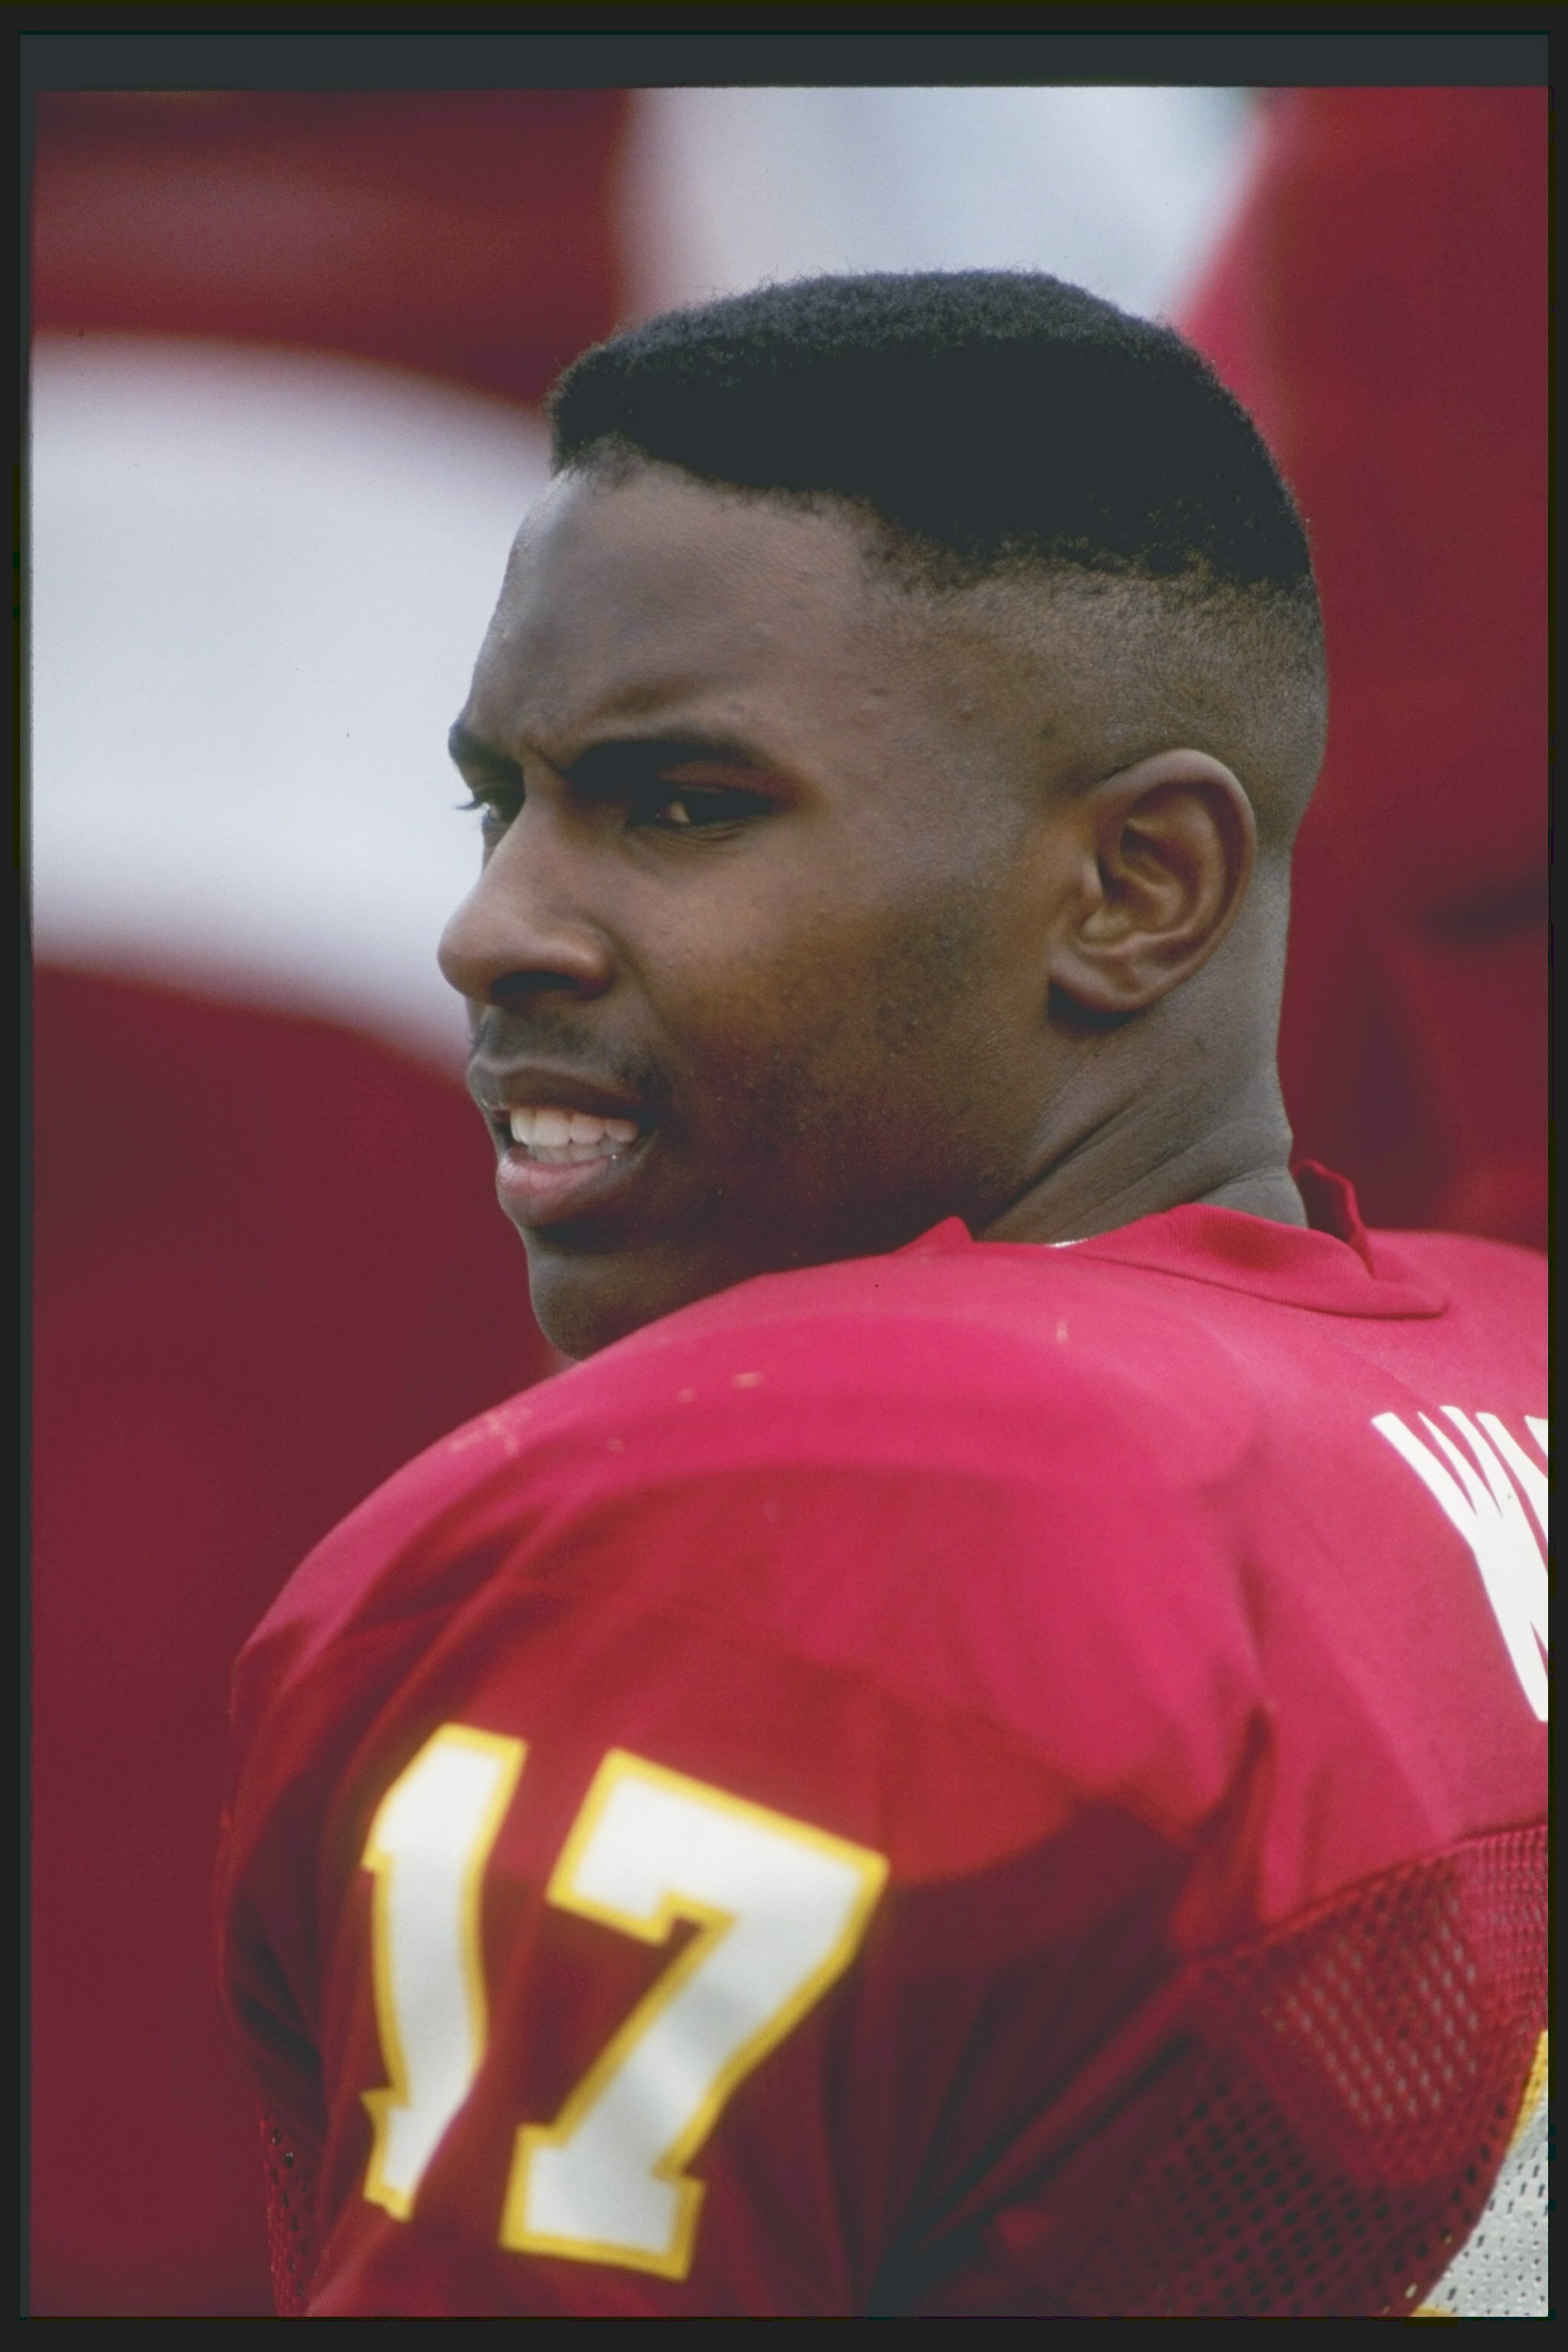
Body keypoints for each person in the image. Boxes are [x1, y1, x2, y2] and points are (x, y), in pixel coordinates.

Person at [214, 273, 1546, 2318]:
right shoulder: (1502, 1360)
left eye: (681, 806)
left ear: (1136, 886)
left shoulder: (819, 1539)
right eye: (504, 803)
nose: (493, 931)